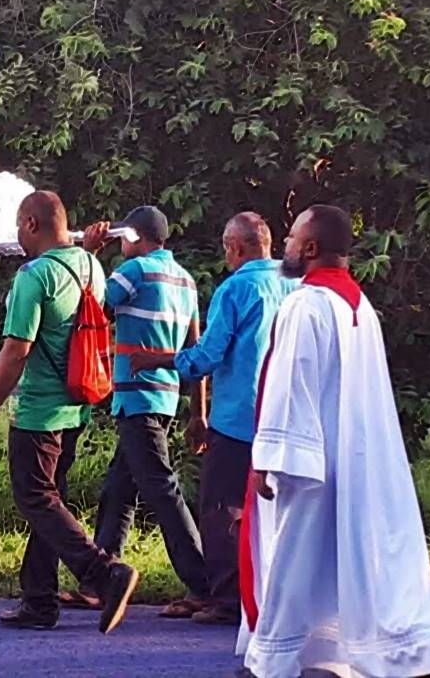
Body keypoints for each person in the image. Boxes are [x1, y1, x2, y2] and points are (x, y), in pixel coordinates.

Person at [238, 206, 430, 678]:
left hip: (312, 455)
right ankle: (394, 652)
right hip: (358, 453)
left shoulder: (305, 304)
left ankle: (272, 661)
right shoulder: (360, 304)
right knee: (359, 558)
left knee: (292, 562)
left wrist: (269, 458)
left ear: (311, 248)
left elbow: (291, 383)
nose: (287, 245)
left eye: (292, 237)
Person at [0, 191, 139, 634]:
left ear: (29, 224)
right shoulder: (91, 265)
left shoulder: (34, 275)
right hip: (76, 404)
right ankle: (39, 600)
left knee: (35, 498)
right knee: (49, 501)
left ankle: (104, 573)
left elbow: (16, 350)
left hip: (40, 410)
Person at [129, 212, 297, 625]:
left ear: (236, 247)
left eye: (226, 246)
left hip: (239, 415)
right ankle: (270, 592)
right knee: (275, 509)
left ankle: (226, 598)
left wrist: (159, 360)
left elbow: (208, 355)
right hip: (284, 414)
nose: (226, 254)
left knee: (222, 507)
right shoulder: (294, 285)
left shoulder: (237, 287)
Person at [81, 206, 211, 619]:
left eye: (122, 238)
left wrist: (89, 254)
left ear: (134, 237)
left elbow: (92, 309)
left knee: (161, 489)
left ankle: (203, 583)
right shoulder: (186, 281)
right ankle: (101, 578)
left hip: (137, 398)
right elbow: (195, 352)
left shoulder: (133, 272)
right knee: (119, 489)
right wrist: (197, 412)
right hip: (166, 397)